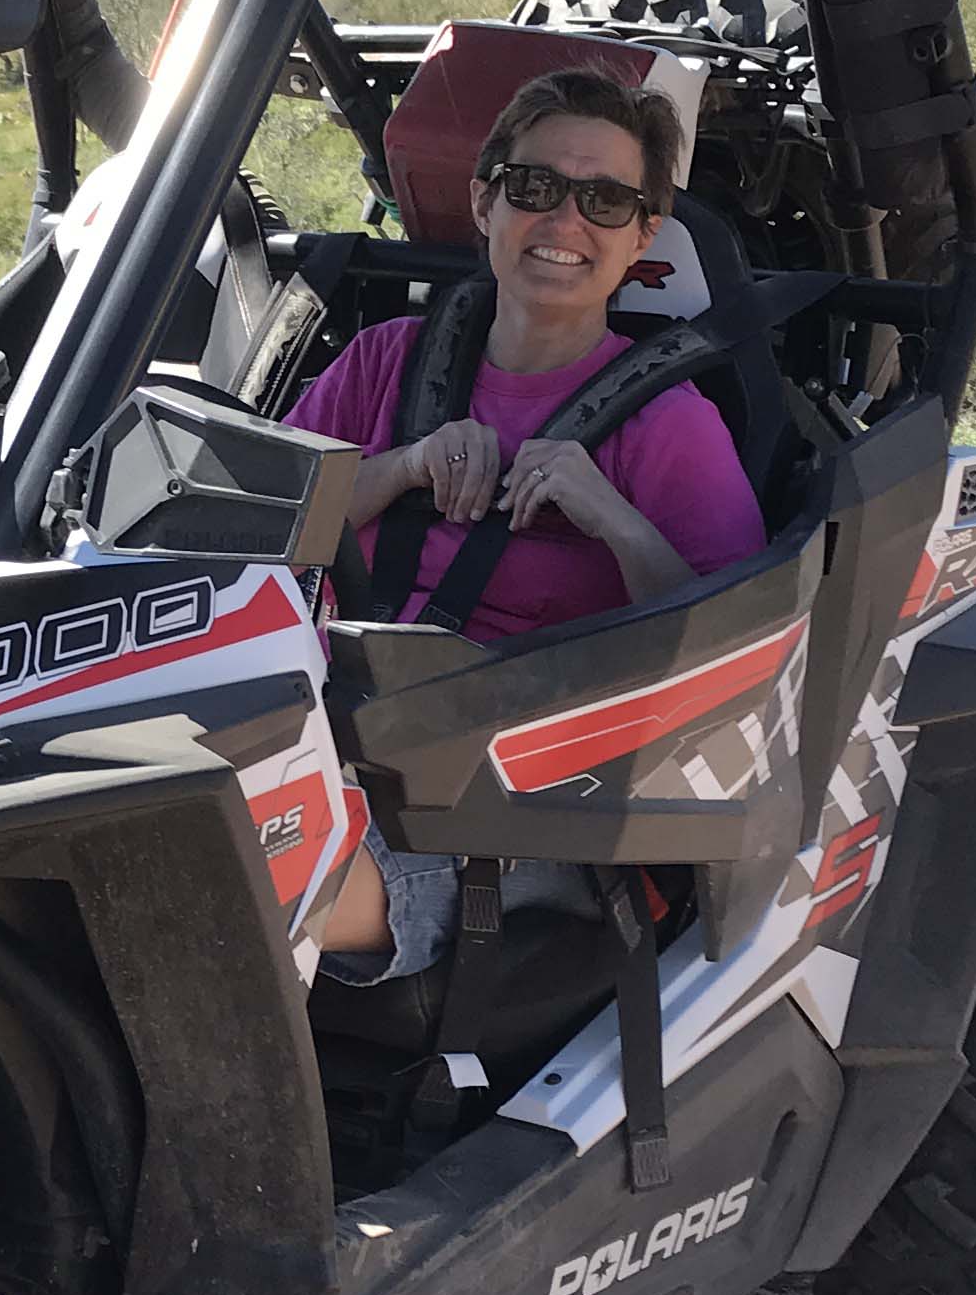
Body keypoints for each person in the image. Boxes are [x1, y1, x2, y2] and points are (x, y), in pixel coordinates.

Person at [287, 65, 767, 983]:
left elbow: (736, 659)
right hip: (326, 728)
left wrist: (613, 519)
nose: (565, 222)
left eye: (605, 201)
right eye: (536, 187)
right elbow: (263, 524)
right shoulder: (384, 362)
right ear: (485, 201)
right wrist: (401, 468)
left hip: (517, 800)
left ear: (644, 236)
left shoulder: (669, 426)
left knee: (250, 875)